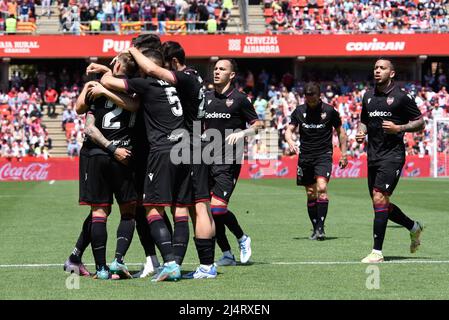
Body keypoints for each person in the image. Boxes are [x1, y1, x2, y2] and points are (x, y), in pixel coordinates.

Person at [127, 40, 217, 279]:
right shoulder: (196, 77)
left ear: (174, 63)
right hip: (201, 141)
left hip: (191, 144)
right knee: (198, 206)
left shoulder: (183, 78)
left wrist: (133, 50)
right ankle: (196, 264)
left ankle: (206, 265)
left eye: (168, 67)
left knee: (197, 206)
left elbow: (155, 71)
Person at [101, 49, 192, 282]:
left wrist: (108, 69)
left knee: (151, 208)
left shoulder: (146, 83)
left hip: (162, 150)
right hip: (186, 149)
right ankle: (177, 262)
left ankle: (170, 264)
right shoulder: (175, 84)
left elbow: (107, 80)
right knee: (180, 208)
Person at [63, 53, 140, 280]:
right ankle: (115, 262)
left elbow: (80, 110)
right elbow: (134, 106)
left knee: (99, 211)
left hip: (96, 153)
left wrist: (95, 83)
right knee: (126, 211)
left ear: (115, 65)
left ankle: (100, 268)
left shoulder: (96, 85)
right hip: (122, 155)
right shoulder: (134, 89)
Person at [356, 58, 425, 263]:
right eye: (375, 67)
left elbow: (419, 122)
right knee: (381, 203)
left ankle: (377, 252)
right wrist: (362, 133)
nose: (377, 71)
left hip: (393, 156)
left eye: (382, 68)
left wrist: (399, 128)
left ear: (391, 73)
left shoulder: (401, 97)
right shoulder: (368, 96)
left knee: (379, 198)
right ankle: (414, 227)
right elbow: (364, 122)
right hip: (373, 155)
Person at [204, 58, 263, 266]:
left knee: (217, 209)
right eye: (216, 68)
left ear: (231, 75)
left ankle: (242, 237)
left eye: (222, 69)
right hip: (205, 160)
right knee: (209, 212)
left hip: (229, 160)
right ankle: (227, 254)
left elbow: (258, 125)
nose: (217, 71)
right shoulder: (206, 97)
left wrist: (243, 133)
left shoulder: (240, 99)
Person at [285, 82, 348, 240]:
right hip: (305, 156)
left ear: (319, 96)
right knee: (311, 193)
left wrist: (344, 154)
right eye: (307, 98)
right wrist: (291, 141)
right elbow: (289, 130)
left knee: (321, 188)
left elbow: (341, 132)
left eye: (313, 98)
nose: (310, 101)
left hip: (323, 155)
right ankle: (315, 227)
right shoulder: (299, 111)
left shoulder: (329, 111)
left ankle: (320, 227)